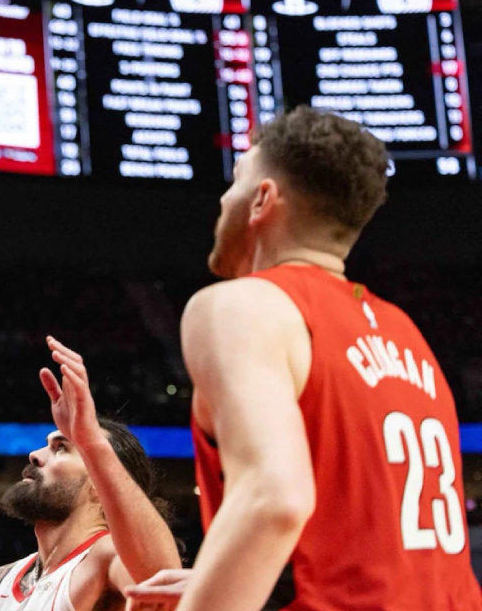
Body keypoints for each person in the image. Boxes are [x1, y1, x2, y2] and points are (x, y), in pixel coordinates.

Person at [126, 107, 482, 611]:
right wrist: (224, 582)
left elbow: (274, 500)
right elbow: (369, 542)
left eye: (235, 182)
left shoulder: (240, 305)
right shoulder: (407, 334)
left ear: (262, 199)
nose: (223, 200)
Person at [0, 336, 180, 611]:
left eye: (61, 448)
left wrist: (91, 441)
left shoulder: (106, 560)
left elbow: (164, 590)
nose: (35, 455)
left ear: (100, 484)